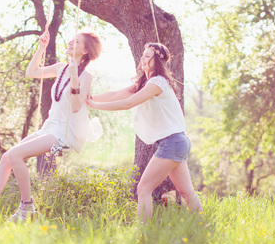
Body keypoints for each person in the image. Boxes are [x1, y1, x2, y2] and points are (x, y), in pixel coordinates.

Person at [0, 29, 103, 222]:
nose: (69, 42)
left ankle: (27, 208)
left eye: (76, 42)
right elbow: (32, 72)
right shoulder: (61, 67)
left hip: (65, 133)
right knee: (7, 158)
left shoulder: (86, 76)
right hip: (50, 126)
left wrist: (75, 79)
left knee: (16, 155)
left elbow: (76, 107)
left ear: (85, 50)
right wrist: (42, 47)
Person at [86, 42, 203, 223]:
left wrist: (96, 106)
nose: (143, 58)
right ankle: (202, 223)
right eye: (143, 55)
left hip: (172, 142)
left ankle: (143, 229)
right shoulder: (146, 83)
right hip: (178, 141)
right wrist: (90, 98)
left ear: (158, 61)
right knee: (186, 192)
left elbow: (128, 103)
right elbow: (117, 95)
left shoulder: (157, 82)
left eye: (148, 56)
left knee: (144, 189)